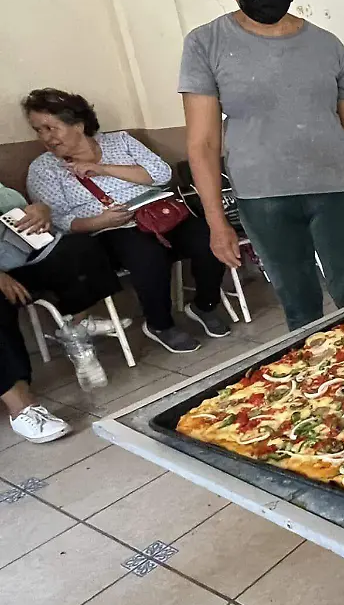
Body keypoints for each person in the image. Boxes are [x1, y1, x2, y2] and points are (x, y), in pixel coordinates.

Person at [181, 0, 344, 331]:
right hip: (263, 196)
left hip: (337, 188)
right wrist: (217, 222)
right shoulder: (206, 43)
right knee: (299, 304)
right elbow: (203, 141)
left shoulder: (325, 43)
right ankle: (315, 381)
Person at [23, 89, 229, 354]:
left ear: (78, 124)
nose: (46, 137)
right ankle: (160, 325)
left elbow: (161, 174)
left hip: (159, 214)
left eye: (52, 127)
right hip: (109, 231)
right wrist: (101, 221)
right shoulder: (44, 168)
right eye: (38, 130)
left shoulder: (120, 142)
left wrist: (101, 169)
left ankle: (204, 305)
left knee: (208, 235)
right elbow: (59, 220)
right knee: (146, 253)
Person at [1, 187, 124, 442]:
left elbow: (17, 205)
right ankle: (22, 408)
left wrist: (40, 210)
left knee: (81, 248)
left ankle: (76, 330)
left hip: (22, 255)